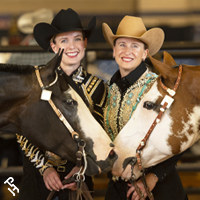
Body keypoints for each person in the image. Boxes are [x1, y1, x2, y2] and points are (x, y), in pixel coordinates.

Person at [17, 8, 106, 200]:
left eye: (77, 39)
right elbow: (22, 132)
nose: (72, 46)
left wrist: (82, 168)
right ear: (54, 46)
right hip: (37, 175)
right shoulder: (36, 82)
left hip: (78, 178)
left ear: (85, 43)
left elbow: (102, 136)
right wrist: (45, 168)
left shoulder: (98, 87)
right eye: (64, 40)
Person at [102, 16, 188, 200]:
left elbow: (180, 136)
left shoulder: (158, 87)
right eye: (122, 44)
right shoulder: (108, 89)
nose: (127, 51)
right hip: (118, 186)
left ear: (144, 53)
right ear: (114, 51)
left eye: (135, 46)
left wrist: (153, 176)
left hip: (158, 187)